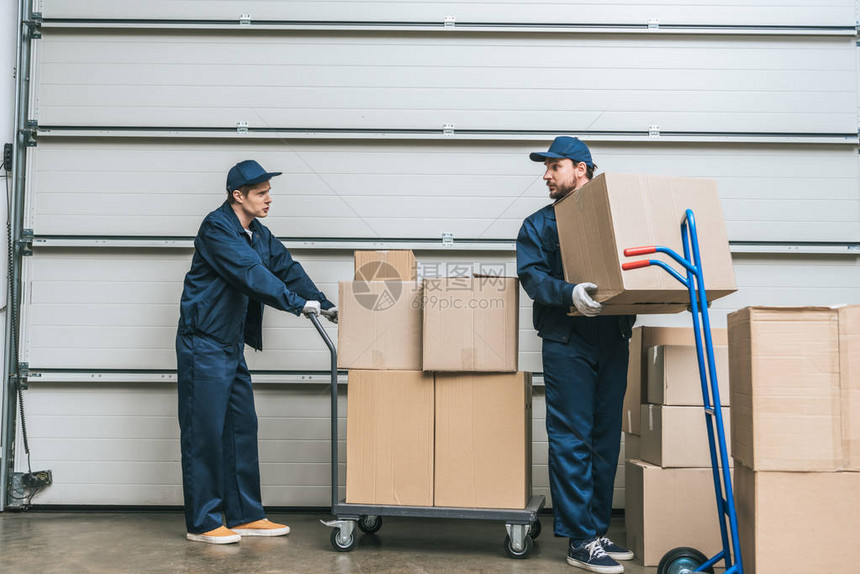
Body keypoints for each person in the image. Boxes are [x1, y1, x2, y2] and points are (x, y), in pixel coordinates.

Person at [176, 159, 337, 544]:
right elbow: (252, 274)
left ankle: (246, 515)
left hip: (230, 345)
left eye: (269, 192)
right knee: (205, 434)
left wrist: (323, 303)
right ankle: (203, 522)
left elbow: (285, 267)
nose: (269, 199)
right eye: (261, 193)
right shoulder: (217, 229)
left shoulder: (258, 233)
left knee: (241, 430)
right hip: (204, 343)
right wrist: (295, 304)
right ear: (238, 195)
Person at [516, 137, 635, 573]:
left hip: (612, 336)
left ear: (581, 169)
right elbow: (531, 276)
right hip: (567, 340)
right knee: (572, 438)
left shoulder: (616, 217)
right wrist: (568, 292)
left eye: (554, 166)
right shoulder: (538, 226)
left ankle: (596, 530)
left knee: (605, 439)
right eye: (545, 167)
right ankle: (579, 539)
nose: (546, 175)